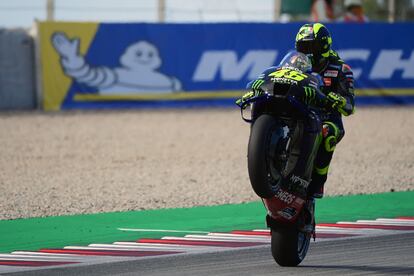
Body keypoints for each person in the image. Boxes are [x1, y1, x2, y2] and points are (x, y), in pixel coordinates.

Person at [295, 22, 355, 198]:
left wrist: (337, 99)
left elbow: (350, 106)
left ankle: (318, 183)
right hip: (300, 113)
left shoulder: (341, 70)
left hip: (327, 118)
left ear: (323, 46)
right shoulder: (296, 64)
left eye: (309, 47)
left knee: (328, 133)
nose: (305, 53)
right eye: (302, 47)